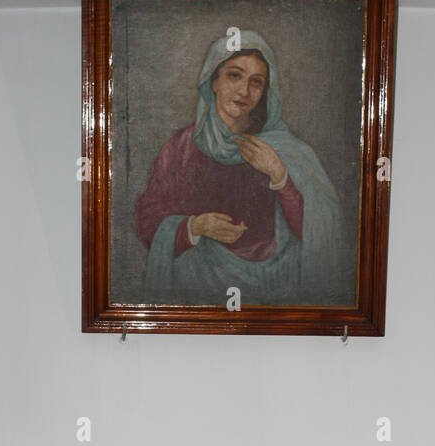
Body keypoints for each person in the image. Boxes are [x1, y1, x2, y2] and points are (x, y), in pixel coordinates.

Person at [135, 31, 349, 306]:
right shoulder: (180, 148)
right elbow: (148, 223)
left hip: (277, 290)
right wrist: (194, 226)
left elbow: (319, 232)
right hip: (195, 290)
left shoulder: (287, 151)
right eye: (234, 75)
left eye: (256, 82)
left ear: (265, 92)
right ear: (212, 81)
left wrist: (280, 177)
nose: (244, 91)